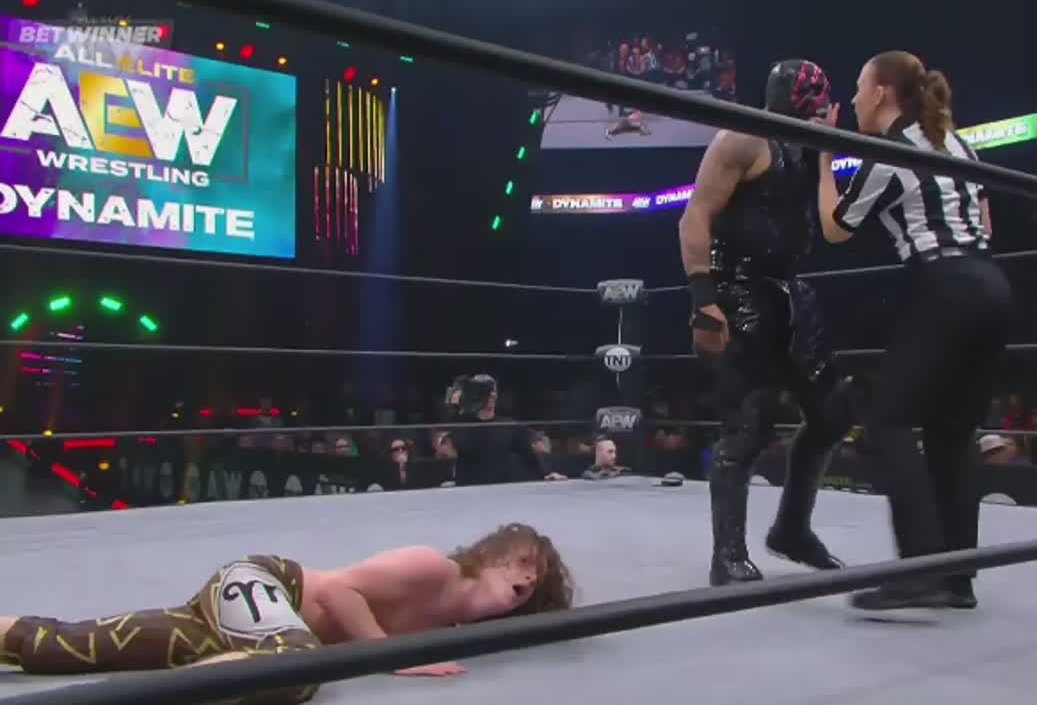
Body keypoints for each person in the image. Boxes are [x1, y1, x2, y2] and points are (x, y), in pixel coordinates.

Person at [816, 51, 1013, 611]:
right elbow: (985, 219)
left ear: (881, 92)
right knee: (952, 433)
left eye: (860, 86)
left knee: (888, 420)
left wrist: (825, 159)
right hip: (992, 284)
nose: (854, 98)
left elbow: (836, 228)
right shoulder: (958, 143)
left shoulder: (890, 150)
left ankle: (920, 566)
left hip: (945, 284)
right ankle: (957, 576)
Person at [0, 524, 573, 702]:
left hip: (242, 631)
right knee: (297, 669)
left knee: (83, 644)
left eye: (537, 582)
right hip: (265, 584)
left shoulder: (450, 628)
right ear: (491, 555)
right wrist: (390, 655)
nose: (526, 579)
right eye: (523, 563)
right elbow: (338, 595)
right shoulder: (432, 569)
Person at [679, 59, 856, 586]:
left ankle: (792, 530)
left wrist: (826, 151)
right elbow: (694, 217)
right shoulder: (740, 139)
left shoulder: (806, 148)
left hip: (790, 291)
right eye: (811, 97)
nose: (819, 106)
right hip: (739, 289)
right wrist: (704, 301)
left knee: (832, 411)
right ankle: (728, 555)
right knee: (748, 426)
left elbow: (826, 223)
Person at [447, 375, 568, 485]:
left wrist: (547, 473)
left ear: (494, 396)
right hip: (466, 489)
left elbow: (529, 454)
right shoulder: (461, 423)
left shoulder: (508, 426)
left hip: (499, 489)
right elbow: (449, 449)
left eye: (487, 393)